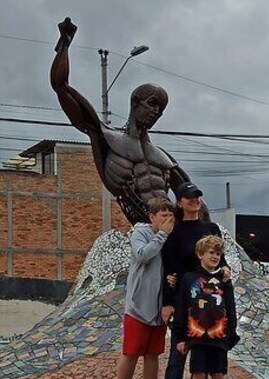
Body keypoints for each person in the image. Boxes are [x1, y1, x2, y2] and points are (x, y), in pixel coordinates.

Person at [50, 17, 190, 224]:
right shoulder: (107, 137)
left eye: (161, 108)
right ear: (135, 102)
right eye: (152, 103)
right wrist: (65, 45)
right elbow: (61, 86)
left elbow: (191, 196)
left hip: (170, 229)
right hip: (141, 228)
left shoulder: (163, 158)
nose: (156, 112)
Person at [149, 181, 230, 379]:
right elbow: (168, 269)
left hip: (208, 307)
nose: (195, 200)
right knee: (177, 359)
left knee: (203, 364)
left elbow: (220, 260)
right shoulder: (175, 231)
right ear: (180, 202)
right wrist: (167, 302)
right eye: (189, 197)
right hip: (183, 303)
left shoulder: (210, 227)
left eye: (197, 196)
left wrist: (225, 270)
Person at [108, 198, 176, 379]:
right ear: (152, 217)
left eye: (170, 216)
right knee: (130, 354)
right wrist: (162, 235)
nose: (167, 220)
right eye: (163, 215)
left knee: (153, 355)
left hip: (159, 311)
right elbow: (142, 255)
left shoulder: (171, 239)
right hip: (138, 308)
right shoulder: (140, 234)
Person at [174, 235, 239, 379]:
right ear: (200, 254)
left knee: (219, 375)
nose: (215, 256)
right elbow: (182, 309)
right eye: (211, 252)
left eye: (218, 253)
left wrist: (230, 335)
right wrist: (179, 337)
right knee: (199, 374)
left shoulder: (224, 281)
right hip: (197, 335)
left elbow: (231, 308)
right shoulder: (189, 279)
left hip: (218, 335)